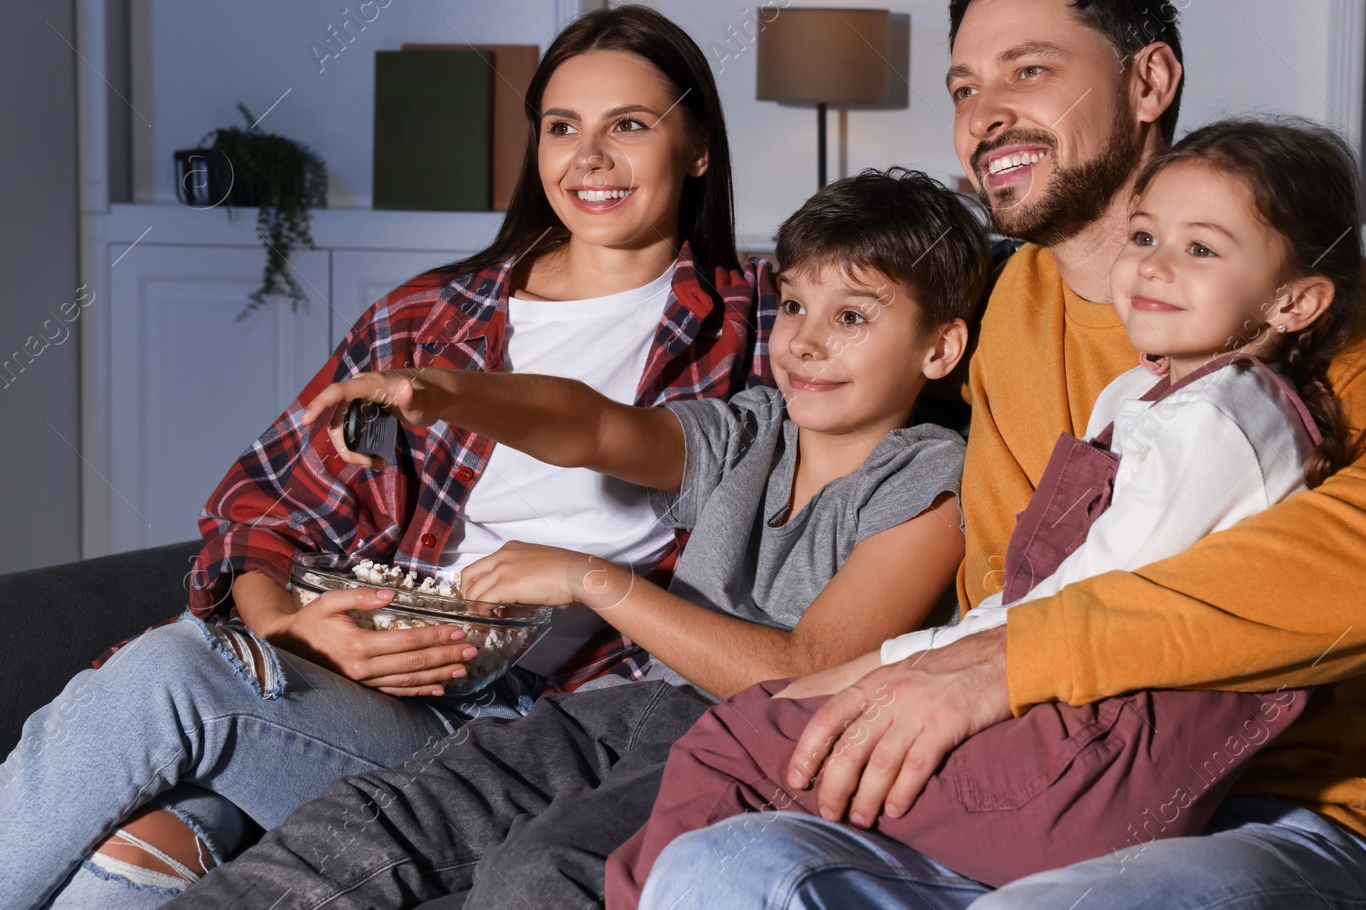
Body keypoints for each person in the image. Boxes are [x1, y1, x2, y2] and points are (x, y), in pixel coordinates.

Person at [636, 0, 1366, 910]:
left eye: (1026, 71)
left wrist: (1009, 660)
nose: (983, 113)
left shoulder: (1292, 295)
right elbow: (1005, 569)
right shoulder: (1011, 311)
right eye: (963, 88)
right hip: (1033, 775)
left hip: (1279, 809)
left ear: (1148, 83)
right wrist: (907, 678)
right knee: (713, 867)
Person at [0, 3, 778, 907]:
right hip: (356, 685)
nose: (589, 158)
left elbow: (889, 303)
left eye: (630, 126)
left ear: (698, 148)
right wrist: (287, 626)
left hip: (529, 731)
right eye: (562, 127)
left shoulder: (760, 323)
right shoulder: (429, 316)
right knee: (150, 845)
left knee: (175, 675)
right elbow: (260, 509)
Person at [167, 167, 991, 910]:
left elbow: (800, 672)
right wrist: (445, 391)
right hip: (622, 711)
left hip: (756, 749)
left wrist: (595, 579)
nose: (806, 340)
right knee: (366, 820)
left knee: (540, 872)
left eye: (851, 316)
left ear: (940, 345)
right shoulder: (753, 428)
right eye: (798, 307)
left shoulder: (930, 477)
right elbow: (594, 426)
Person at [610, 115, 1366, 908]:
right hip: (1063, 735)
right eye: (1144, 237)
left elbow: (1069, 605)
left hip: (1089, 761)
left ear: (1296, 301)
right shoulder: (1140, 395)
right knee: (756, 758)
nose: (1154, 268)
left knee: (732, 743)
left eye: (1202, 249)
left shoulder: (1222, 421)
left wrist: (883, 665)